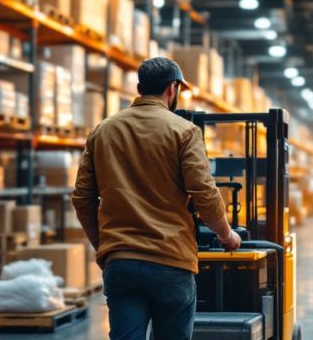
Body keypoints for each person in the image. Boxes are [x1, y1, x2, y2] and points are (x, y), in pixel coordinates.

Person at [72, 57, 241, 340]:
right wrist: (227, 236)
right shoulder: (184, 132)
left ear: (140, 88)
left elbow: (82, 199)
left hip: (121, 261)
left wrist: (105, 246)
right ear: (172, 89)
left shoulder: (103, 130)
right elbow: (205, 194)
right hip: (170, 262)